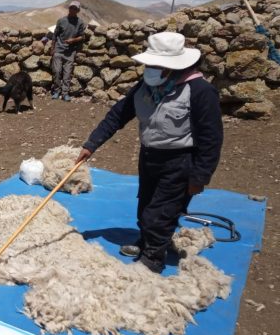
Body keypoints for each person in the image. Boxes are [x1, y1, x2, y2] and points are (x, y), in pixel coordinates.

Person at [76, 32, 224, 273]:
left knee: (161, 213)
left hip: (179, 161)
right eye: (149, 64)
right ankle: (146, 243)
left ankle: (153, 258)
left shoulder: (199, 91)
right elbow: (118, 114)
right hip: (149, 157)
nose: (150, 68)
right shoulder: (146, 86)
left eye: (156, 64)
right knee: (145, 206)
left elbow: (211, 139)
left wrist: (200, 176)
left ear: (172, 66)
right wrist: (91, 144)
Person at [46, 1, 86, 102]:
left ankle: (65, 93)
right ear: (69, 8)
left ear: (78, 10)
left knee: (67, 74)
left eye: (75, 8)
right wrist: (52, 48)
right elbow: (55, 35)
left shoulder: (80, 23)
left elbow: (82, 36)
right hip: (59, 50)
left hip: (70, 52)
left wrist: (74, 40)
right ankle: (56, 91)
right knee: (57, 72)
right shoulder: (61, 21)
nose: (73, 10)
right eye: (72, 8)